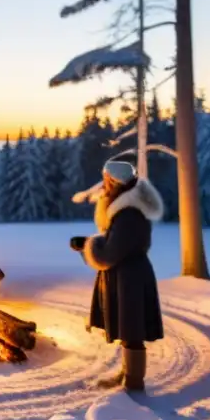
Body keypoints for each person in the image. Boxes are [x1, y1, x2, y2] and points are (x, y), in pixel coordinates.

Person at [70, 160, 164, 392]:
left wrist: (88, 246)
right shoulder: (123, 209)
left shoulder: (129, 214)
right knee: (127, 328)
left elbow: (111, 253)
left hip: (131, 278)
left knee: (132, 331)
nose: (102, 185)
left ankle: (133, 382)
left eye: (106, 180)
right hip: (126, 275)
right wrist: (89, 243)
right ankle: (127, 374)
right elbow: (114, 242)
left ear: (115, 182)